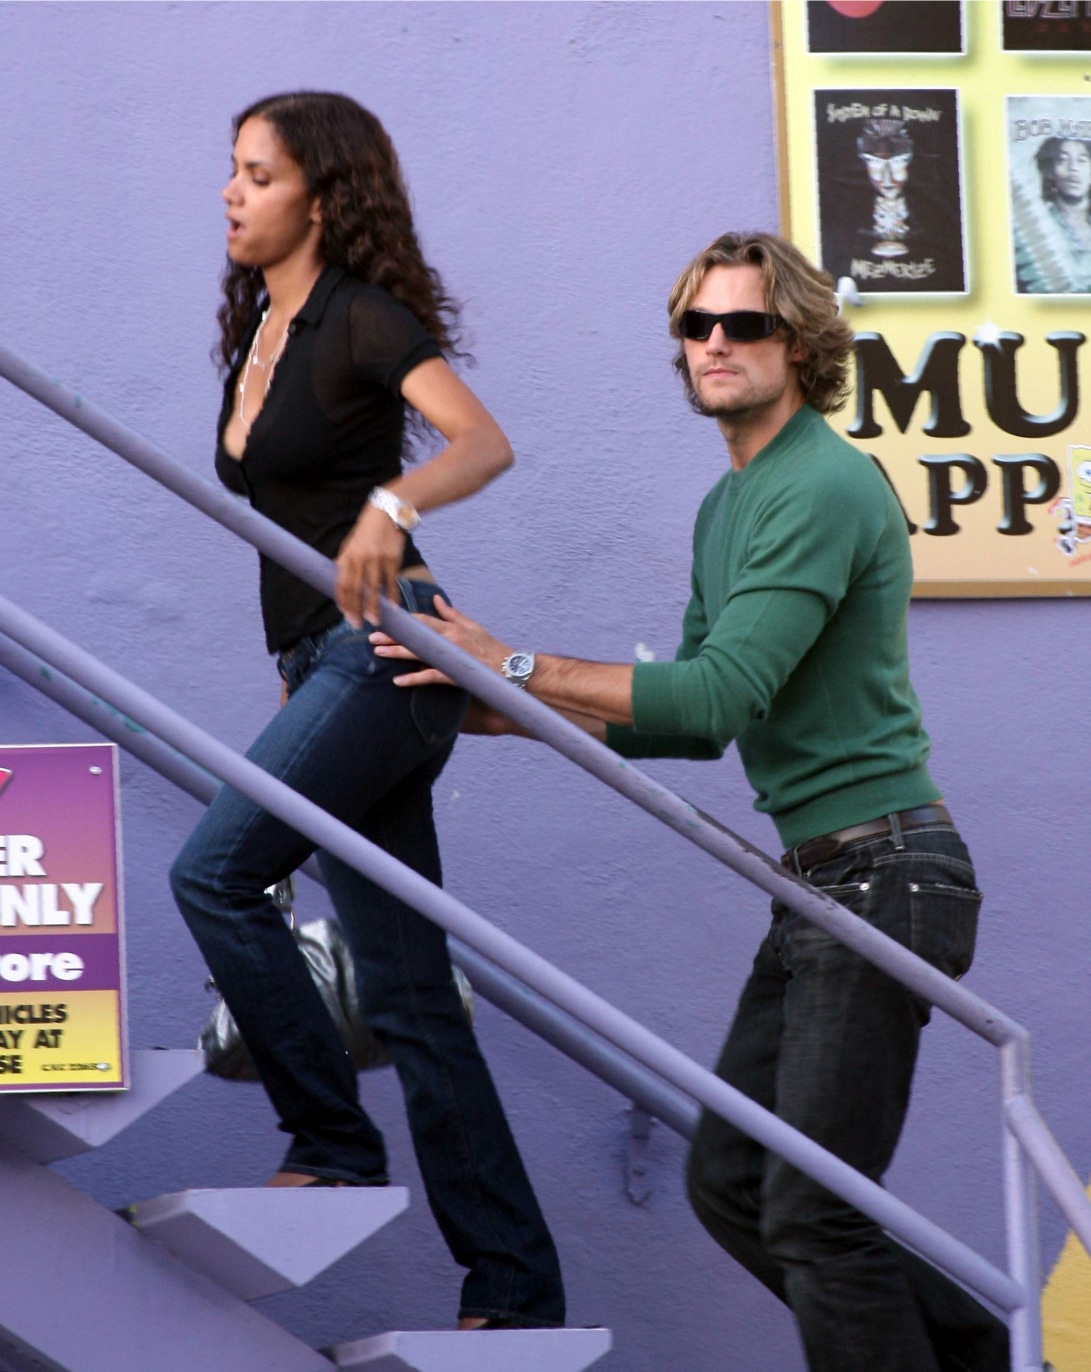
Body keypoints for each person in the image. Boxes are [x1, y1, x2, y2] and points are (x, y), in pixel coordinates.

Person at [372, 231, 1010, 1370]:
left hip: (885, 877)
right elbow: (687, 722)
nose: (714, 343)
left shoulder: (821, 485)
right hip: (820, 885)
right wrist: (486, 702)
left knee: (812, 1209)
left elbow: (719, 691)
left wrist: (510, 661)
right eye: (694, 324)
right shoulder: (730, 506)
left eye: (743, 323)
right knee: (734, 1182)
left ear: (799, 343)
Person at [169, 91, 564, 1332]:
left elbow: (481, 443)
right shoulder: (261, 324)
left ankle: (331, 1140)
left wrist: (393, 508)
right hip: (324, 663)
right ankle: (513, 1284)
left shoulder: (359, 315)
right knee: (409, 996)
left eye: (258, 174)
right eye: (232, 170)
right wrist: (298, 664)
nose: (231, 192)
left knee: (214, 871)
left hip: (384, 649)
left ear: (322, 197)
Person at [1014, 136, 1091, 294]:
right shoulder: (1034, 226)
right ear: (1050, 171)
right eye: (1062, 160)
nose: (1073, 168)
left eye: (1082, 160)